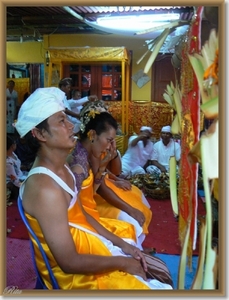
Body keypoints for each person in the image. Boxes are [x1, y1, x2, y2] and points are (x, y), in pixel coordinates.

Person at [14, 87, 172, 290]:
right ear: (40, 134)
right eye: (62, 121)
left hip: (86, 242)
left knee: (151, 271)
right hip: (74, 277)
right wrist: (123, 262)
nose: (72, 126)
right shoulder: (45, 188)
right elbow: (69, 263)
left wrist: (122, 245)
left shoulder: (62, 168)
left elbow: (83, 216)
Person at [68, 101, 152, 248]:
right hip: (83, 220)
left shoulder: (86, 151)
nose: (109, 146)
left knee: (133, 222)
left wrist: (105, 164)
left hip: (88, 210)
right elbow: (77, 208)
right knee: (131, 227)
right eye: (108, 140)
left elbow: (94, 187)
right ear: (93, 134)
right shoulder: (78, 163)